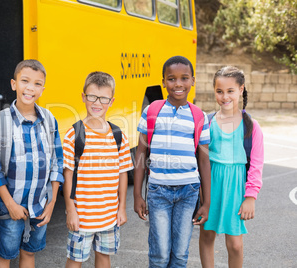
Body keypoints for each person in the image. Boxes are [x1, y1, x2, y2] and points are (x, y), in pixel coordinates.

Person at [133, 55, 211, 267]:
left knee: (179, 254)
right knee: (159, 254)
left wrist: (206, 201)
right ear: (163, 82)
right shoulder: (151, 111)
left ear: (193, 80)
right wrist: (137, 194)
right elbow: (141, 153)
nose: (178, 84)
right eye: (171, 79)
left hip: (189, 192)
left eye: (184, 78)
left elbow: (204, 160)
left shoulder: (199, 116)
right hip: (159, 191)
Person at [0, 59, 64, 268]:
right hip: (11, 206)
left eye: (37, 84)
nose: (30, 88)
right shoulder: (0, 121)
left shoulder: (49, 120)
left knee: (29, 254)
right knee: (5, 255)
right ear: (14, 84)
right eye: (25, 81)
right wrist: (10, 205)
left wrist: (52, 202)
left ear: (43, 89)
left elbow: (57, 164)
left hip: (40, 205)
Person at [63, 71, 133, 267]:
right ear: (83, 97)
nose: (97, 103)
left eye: (103, 98)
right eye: (92, 97)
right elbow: (67, 175)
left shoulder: (118, 136)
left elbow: (123, 174)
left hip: (109, 214)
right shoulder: (74, 135)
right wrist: (71, 210)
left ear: (111, 101)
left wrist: (121, 209)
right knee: (75, 259)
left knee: (104, 258)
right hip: (82, 215)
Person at [199, 66, 264, 268]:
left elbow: (256, 165)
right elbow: (201, 161)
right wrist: (201, 194)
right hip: (211, 187)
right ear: (214, 91)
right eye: (219, 91)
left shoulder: (251, 126)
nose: (224, 96)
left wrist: (250, 197)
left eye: (230, 91)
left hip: (236, 190)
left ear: (241, 90)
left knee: (235, 244)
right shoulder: (207, 122)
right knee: (207, 236)